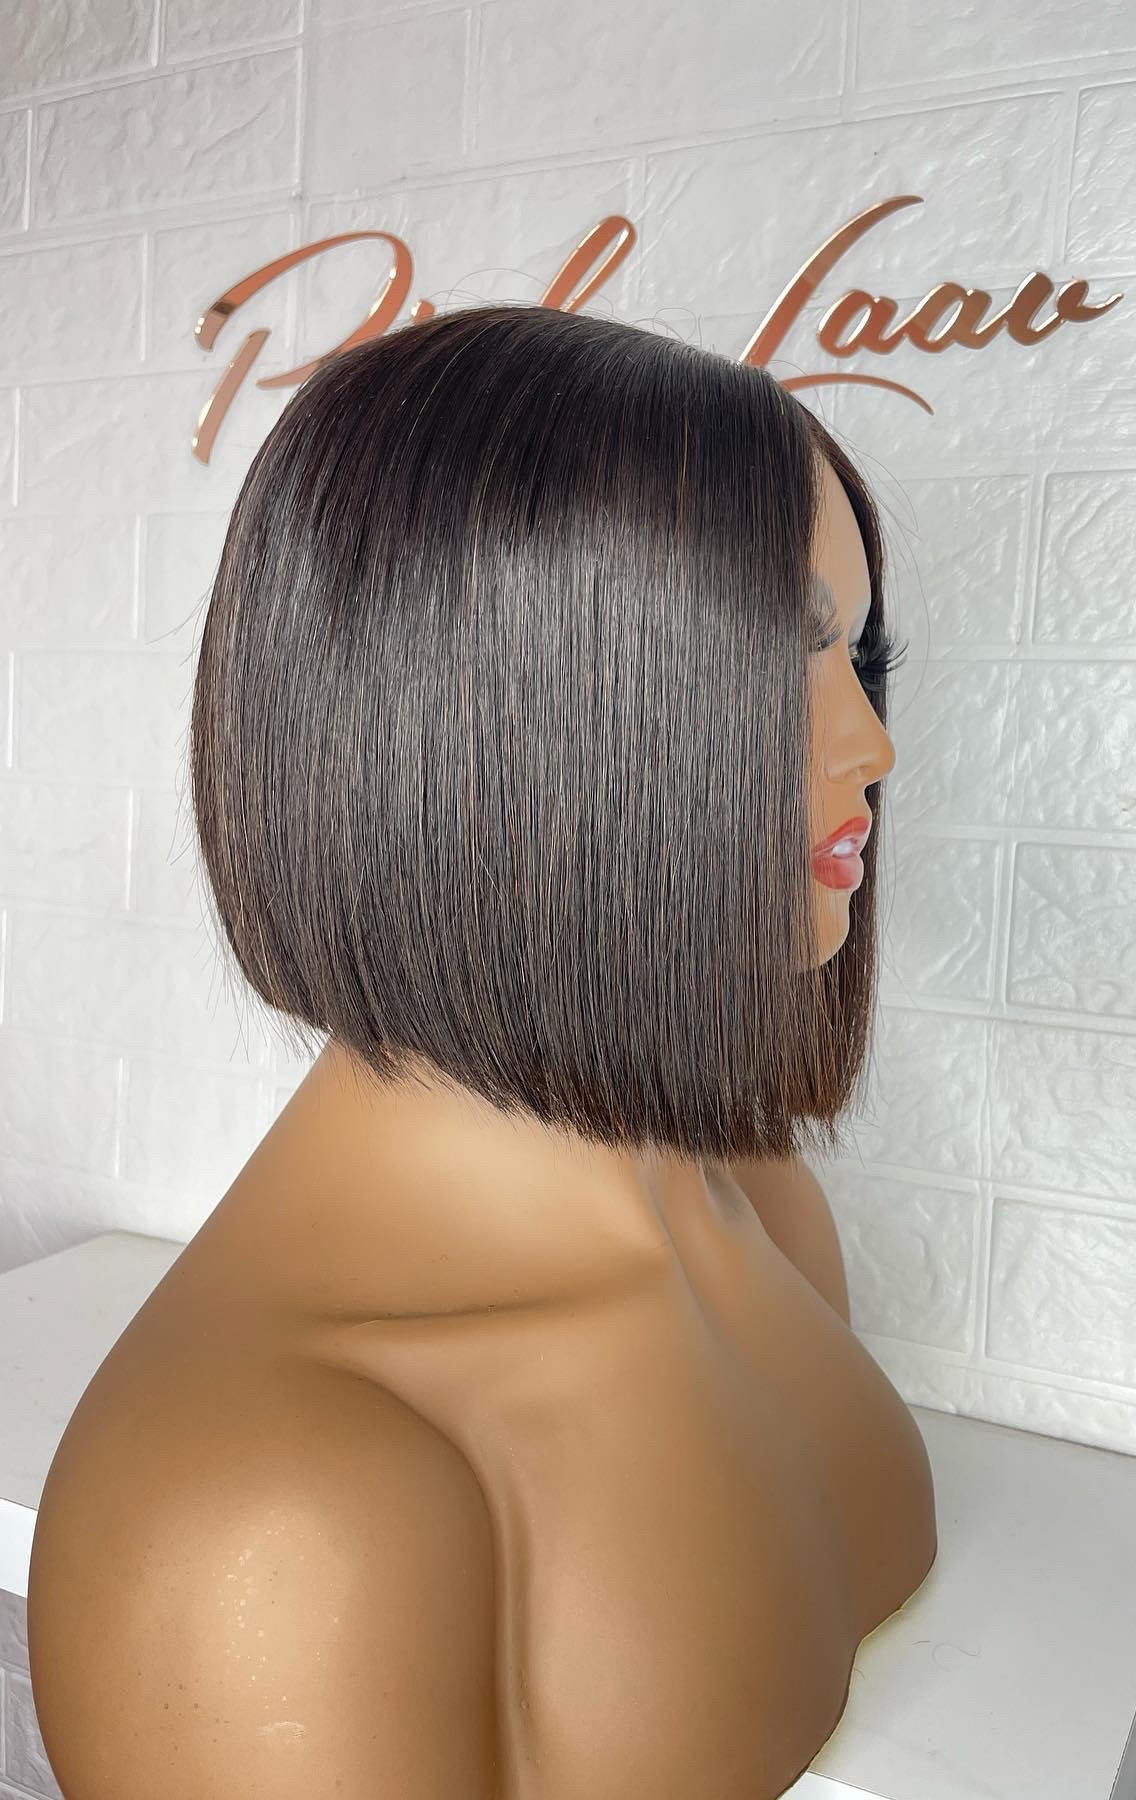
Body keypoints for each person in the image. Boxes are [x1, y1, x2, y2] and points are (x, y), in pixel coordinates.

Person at [26, 302, 939, 1800]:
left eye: (861, 655)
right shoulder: (271, 1525)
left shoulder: (763, 1208)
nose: (873, 749)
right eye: (775, 654)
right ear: (481, 722)